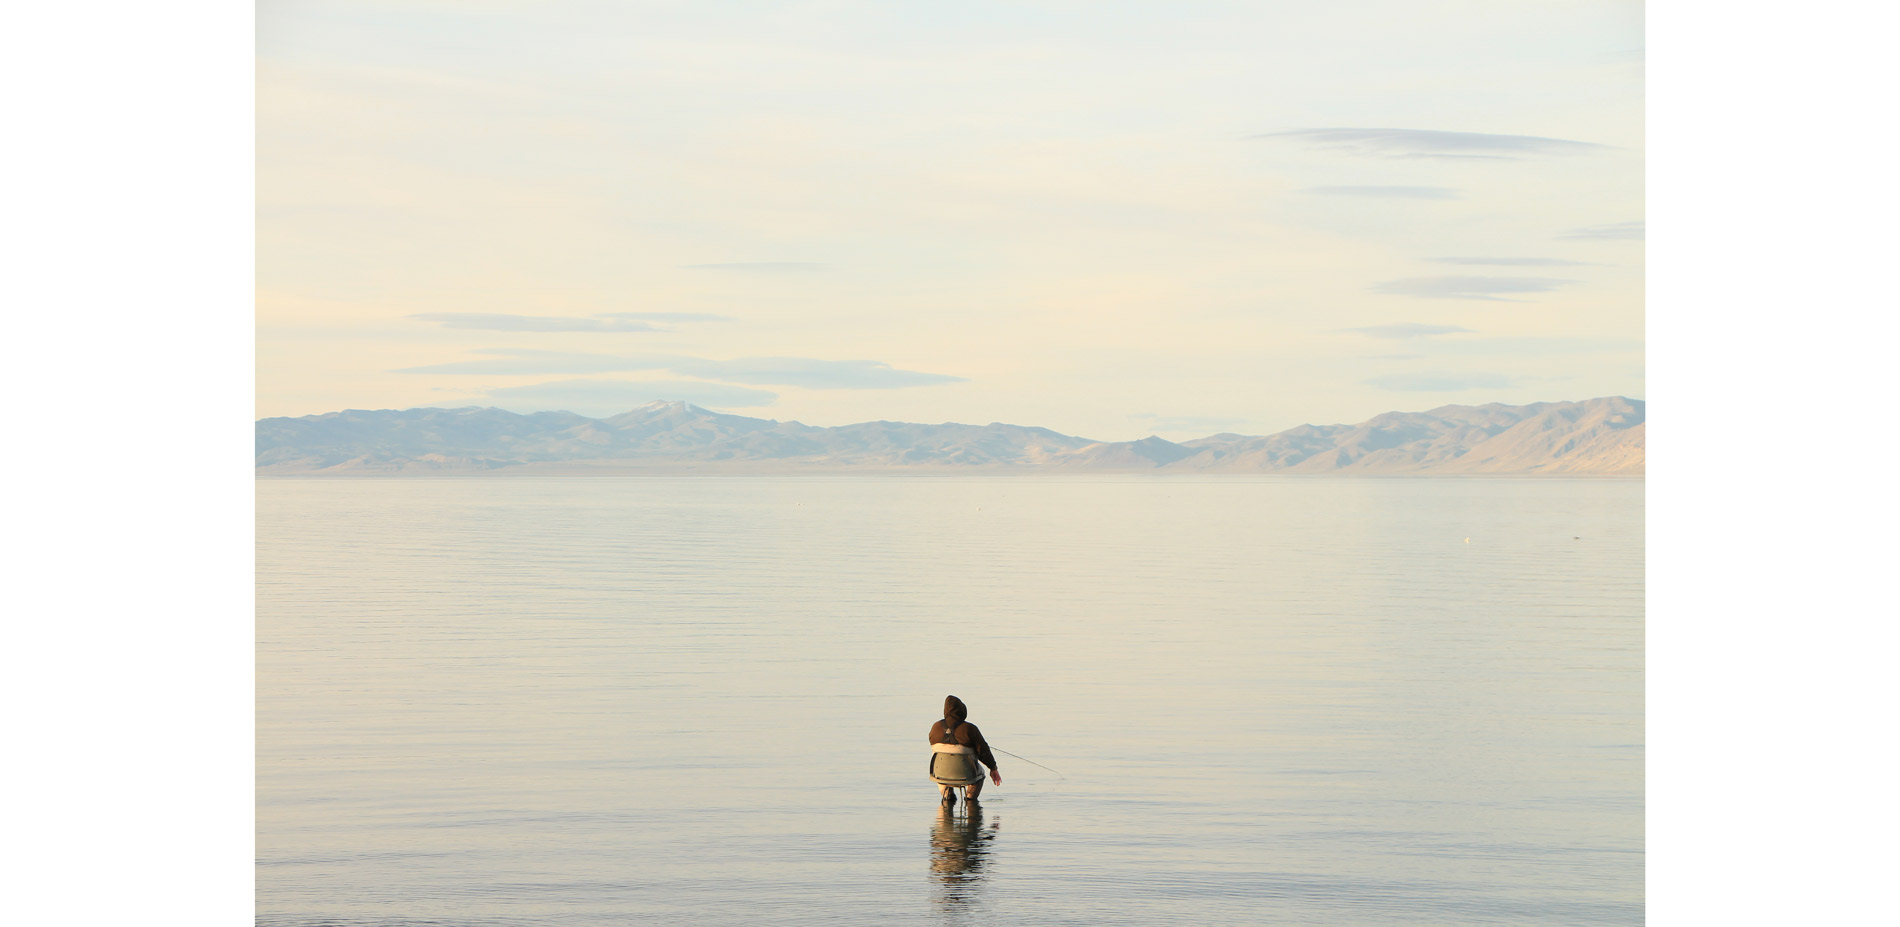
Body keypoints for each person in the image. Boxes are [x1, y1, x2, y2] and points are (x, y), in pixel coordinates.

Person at [928, 695, 1002, 804]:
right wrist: (993, 768)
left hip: (940, 773)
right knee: (980, 774)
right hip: (967, 774)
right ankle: (970, 801)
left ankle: (947, 799)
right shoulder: (970, 728)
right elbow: (983, 751)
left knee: (943, 773)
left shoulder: (936, 727)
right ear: (962, 711)